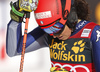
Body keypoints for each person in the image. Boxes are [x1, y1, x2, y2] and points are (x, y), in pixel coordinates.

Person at [6, 0, 100, 72]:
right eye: (47, 30)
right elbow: (14, 50)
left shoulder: (93, 33)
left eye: (56, 29)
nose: (53, 35)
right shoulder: (50, 35)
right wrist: (16, 18)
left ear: (71, 16)